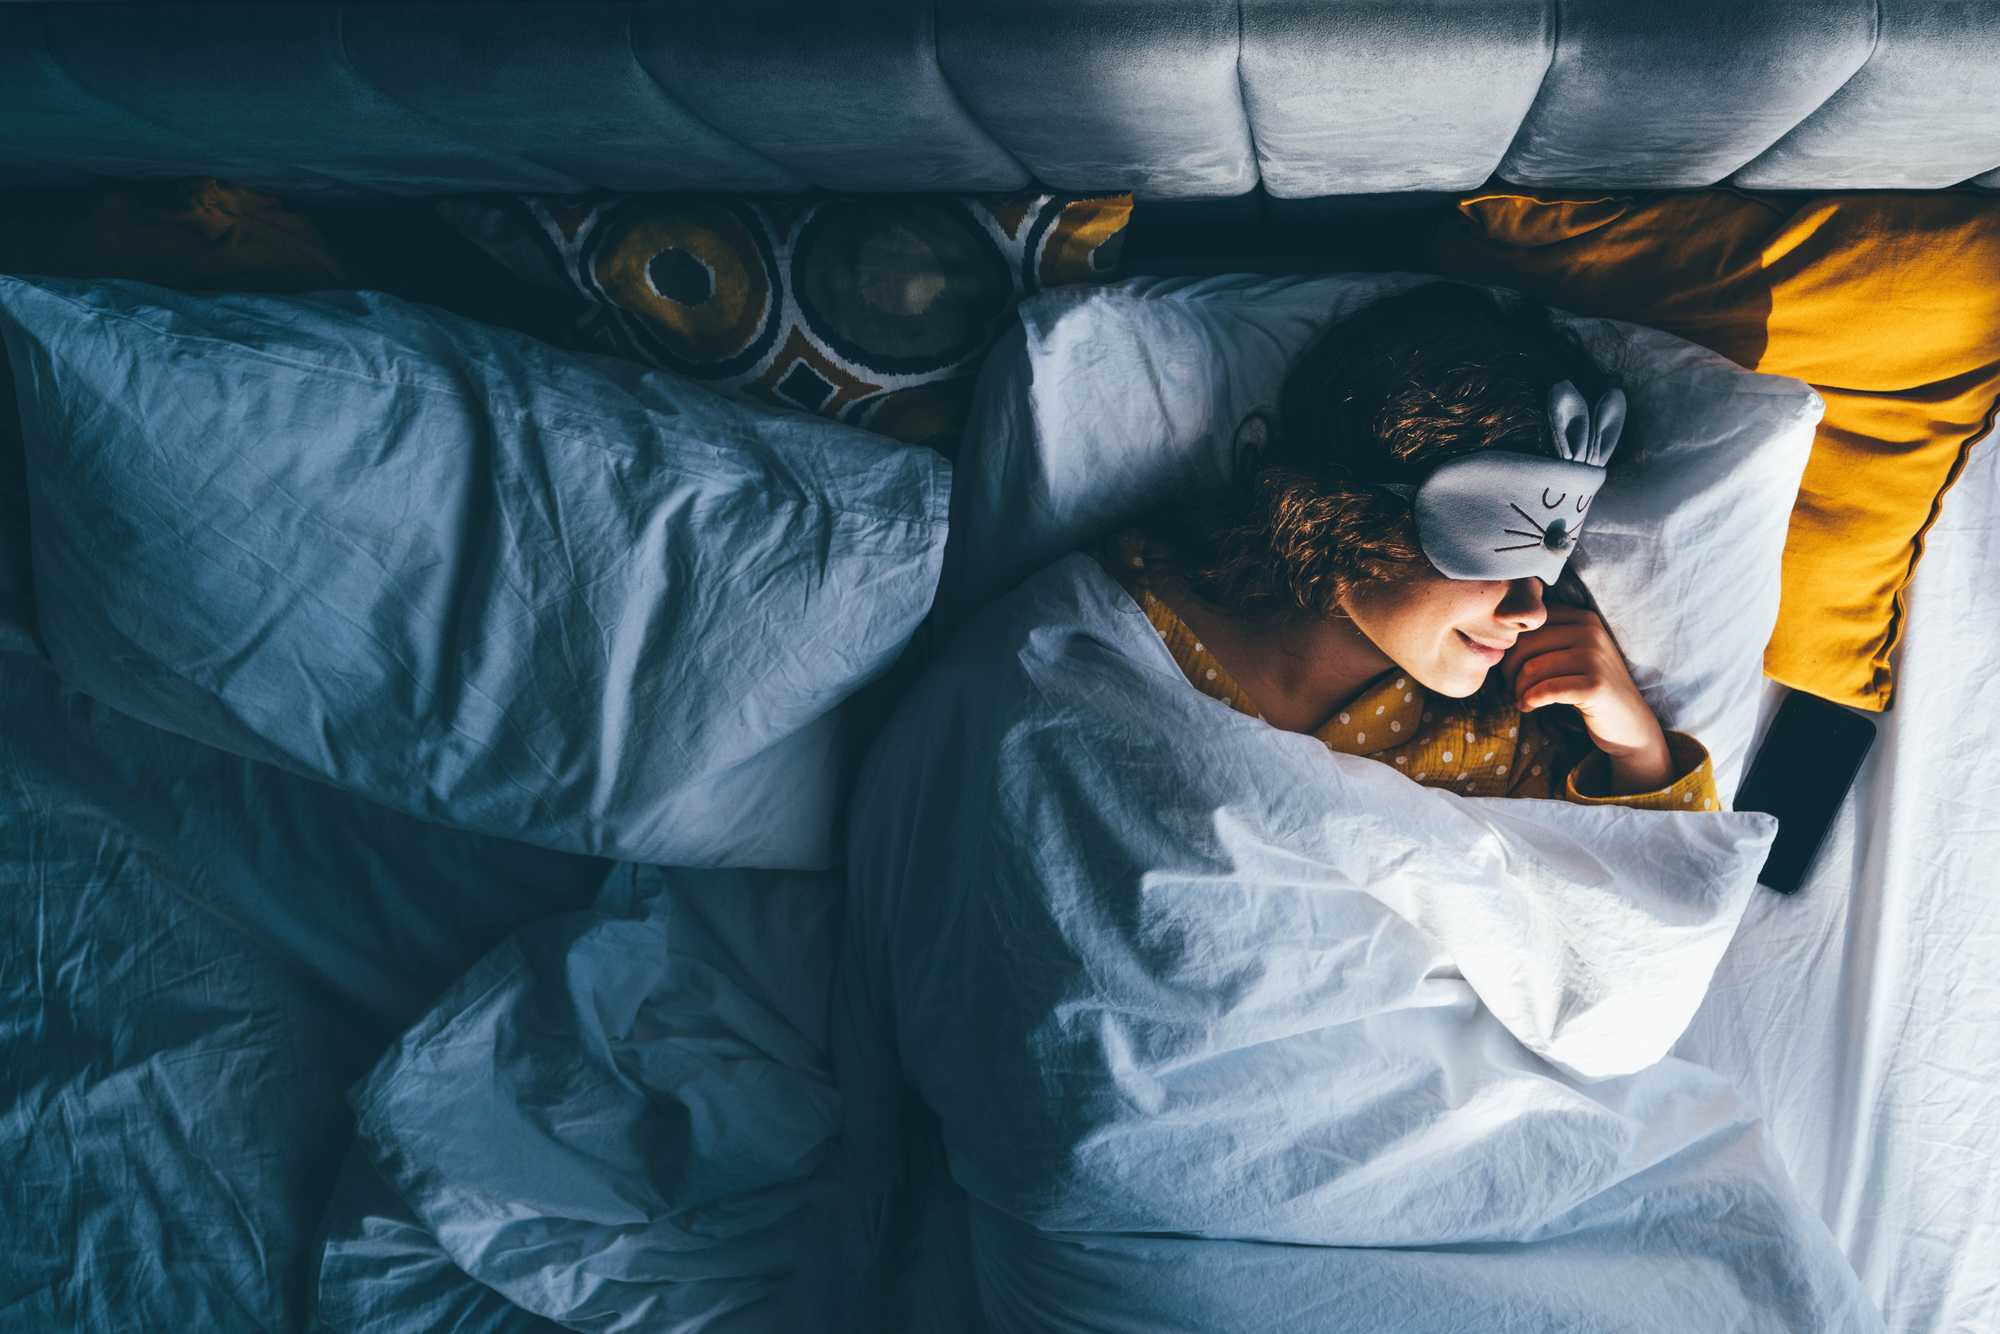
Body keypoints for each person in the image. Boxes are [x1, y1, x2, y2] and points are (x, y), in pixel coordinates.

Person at [1097, 282, 1718, 811]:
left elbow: (1639, 901)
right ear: (1353, 510)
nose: (1533, 609)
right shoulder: (1125, 611)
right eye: (1506, 547)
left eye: (1547, 565)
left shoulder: (1495, 745)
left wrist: (1638, 748)